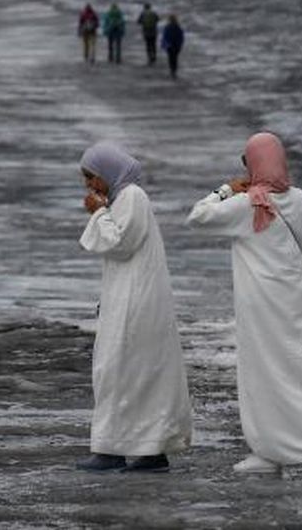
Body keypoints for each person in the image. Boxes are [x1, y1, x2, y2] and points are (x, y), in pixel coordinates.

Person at [186, 132, 302, 475]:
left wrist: (226, 190)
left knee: (263, 373)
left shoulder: (246, 204)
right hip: (297, 297)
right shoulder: (300, 199)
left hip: (260, 305)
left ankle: (270, 449)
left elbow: (198, 217)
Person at [77, 141, 193, 472]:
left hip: (137, 304)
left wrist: (98, 212)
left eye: (92, 177)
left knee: (126, 372)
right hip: (128, 299)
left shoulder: (131, 197)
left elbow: (120, 243)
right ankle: (126, 448)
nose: (89, 186)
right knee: (124, 372)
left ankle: (135, 449)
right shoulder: (123, 199)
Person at [160, 15, 185, 79]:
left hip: (169, 46)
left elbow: (165, 37)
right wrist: (180, 44)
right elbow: (181, 37)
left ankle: (172, 70)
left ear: (170, 20)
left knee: (170, 58)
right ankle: (174, 70)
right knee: (175, 58)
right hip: (177, 46)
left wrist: (163, 45)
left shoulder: (167, 27)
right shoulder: (178, 27)